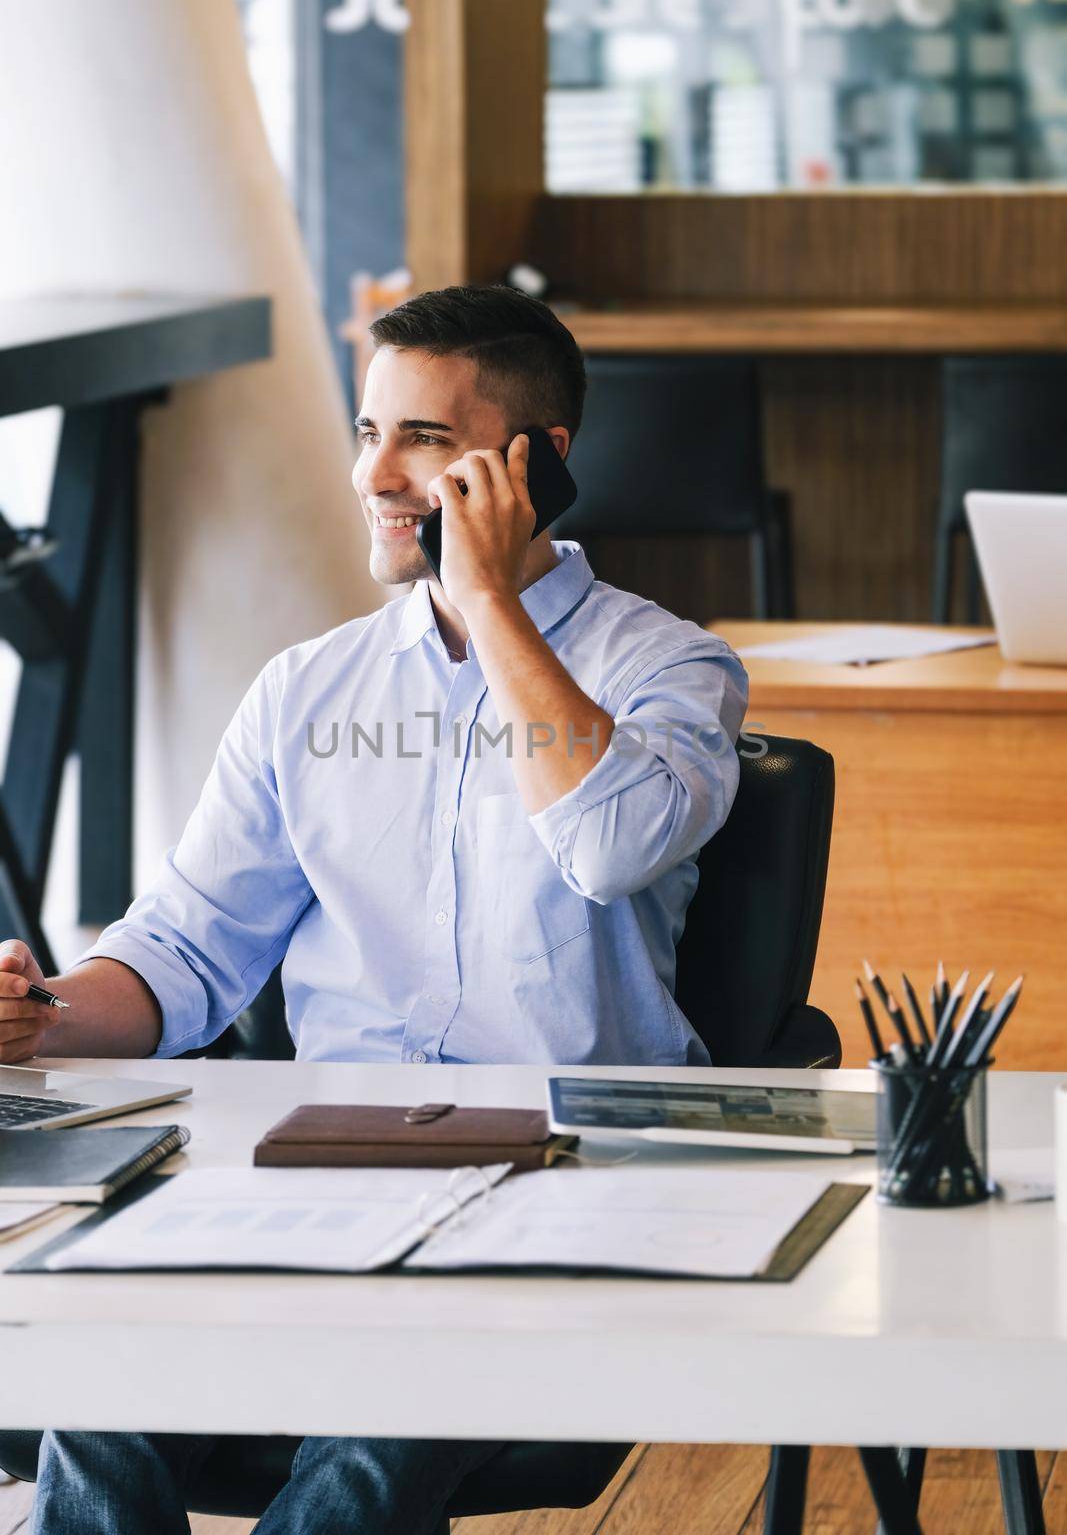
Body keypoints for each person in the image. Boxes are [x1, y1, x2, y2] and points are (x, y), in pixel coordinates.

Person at [0, 283, 748, 1535]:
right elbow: (187, 947)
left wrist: (488, 598)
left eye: (425, 440)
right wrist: (43, 1013)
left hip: (557, 1183)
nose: (375, 474)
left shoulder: (669, 666)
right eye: (366, 431)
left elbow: (609, 844)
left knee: (366, 1450)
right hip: (315, 1171)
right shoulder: (306, 689)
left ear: (537, 464)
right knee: (104, 1362)